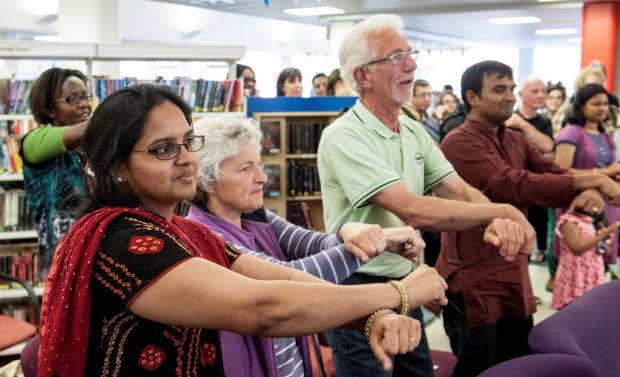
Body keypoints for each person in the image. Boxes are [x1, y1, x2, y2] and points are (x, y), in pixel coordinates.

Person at [38, 83, 449, 376]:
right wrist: (400, 293)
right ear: (117, 167)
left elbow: (289, 278)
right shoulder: (123, 242)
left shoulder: (187, 232)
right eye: (163, 149)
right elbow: (263, 308)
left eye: (187, 142)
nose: (185, 160)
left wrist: (369, 316)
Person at [317, 14, 536, 377]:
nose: (412, 64)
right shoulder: (344, 136)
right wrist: (503, 213)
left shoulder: (411, 129)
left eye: (410, 53)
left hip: (407, 282)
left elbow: (460, 190)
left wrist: (496, 215)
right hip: (358, 287)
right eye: (396, 57)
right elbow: (412, 209)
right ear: (362, 76)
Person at [187, 113, 426, 377]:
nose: (262, 177)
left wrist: (356, 232)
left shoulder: (257, 217)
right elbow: (294, 281)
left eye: (258, 164)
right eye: (246, 168)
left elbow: (312, 243)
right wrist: (398, 283)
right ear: (208, 179)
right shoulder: (206, 237)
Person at [438, 60, 620, 376]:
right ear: (472, 97)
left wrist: (588, 188)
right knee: (477, 364)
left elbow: (552, 173)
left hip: (512, 266)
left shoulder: (514, 138)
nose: (510, 97)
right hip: (473, 273)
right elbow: (509, 182)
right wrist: (594, 181)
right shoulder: (459, 140)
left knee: (518, 358)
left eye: (511, 88)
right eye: (499, 90)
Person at [20, 67, 91, 273]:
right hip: (63, 258)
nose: (84, 105)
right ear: (50, 109)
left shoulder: (90, 147)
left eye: (86, 96)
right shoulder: (34, 141)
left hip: (98, 248)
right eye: (73, 99)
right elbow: (80, 131)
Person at [554, 83, 620, 267]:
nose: (602, 108)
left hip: (606, 203)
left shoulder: (605, 135)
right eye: (596, 104)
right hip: (579, 203)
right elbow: (561, 170)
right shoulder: (571, 133)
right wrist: (605, 172)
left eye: (605, 104)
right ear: (581, 106)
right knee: (578, 262)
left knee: (599, 259)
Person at [551, 210, 617, 310]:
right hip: (574, 274)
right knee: (570, 312)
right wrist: (601, 236)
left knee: (591, 310)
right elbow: (576, 248)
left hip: (591, 274)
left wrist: (604, 246)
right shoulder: (569, 221)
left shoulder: (592, 220)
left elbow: (599, 247)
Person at [404, 79, 441, 143]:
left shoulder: (432, 121)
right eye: (423, 95)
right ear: (412, 96)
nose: (427, 99)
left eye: (429, 95)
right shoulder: (406, 121)